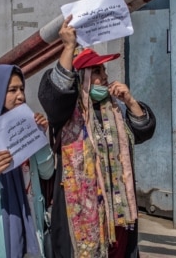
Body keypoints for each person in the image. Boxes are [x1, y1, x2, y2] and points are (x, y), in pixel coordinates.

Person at [38, 15, 156, 258]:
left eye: (104, 70)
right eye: (97, 71)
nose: (104, 77)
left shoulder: (114, 109)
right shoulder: (67, 115)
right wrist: (69, 47)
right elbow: (54, 96)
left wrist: (131, 102)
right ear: (82, 78)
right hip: (82, 218)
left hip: (119, 219)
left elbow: (143, 132)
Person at [0, 64, 54, 258]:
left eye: (21, 89)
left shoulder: (24, 125)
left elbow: (47, 172)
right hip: (0, 225)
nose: (21, 96)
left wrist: (41, 137)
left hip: (31, 216)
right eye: (12, 90)